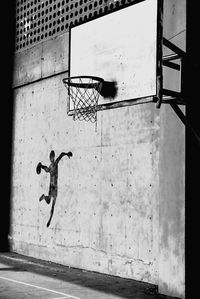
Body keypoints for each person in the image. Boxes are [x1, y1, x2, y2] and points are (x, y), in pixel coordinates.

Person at [36, 150, 72, 227]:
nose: (51, 159)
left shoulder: (55, 163)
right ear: (50, 158)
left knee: (51, 204)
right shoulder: (51, 166)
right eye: (50, 158)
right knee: (50, 203)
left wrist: (67, 154)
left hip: (54, 187)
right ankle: (44, 197)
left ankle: (44, 198)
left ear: (53, 157)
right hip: (53, 187)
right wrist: (42, 166)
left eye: (52, 158)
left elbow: (61, 154)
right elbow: (48, 169)